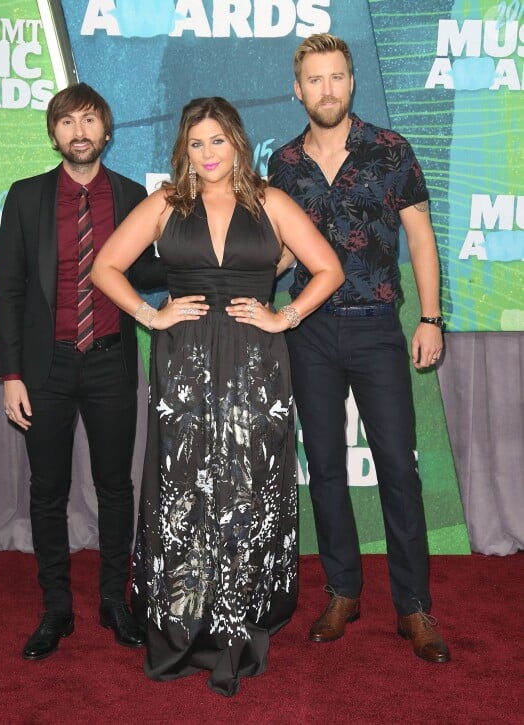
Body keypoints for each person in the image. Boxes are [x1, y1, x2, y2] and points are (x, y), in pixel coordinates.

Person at [91, 96, 345, 695]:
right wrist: (149, 316)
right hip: (184, 365)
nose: (207, 154)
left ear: (237, 140)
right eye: (196, 143)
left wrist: (287, 316)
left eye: (217, 141)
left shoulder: (270, 201)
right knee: (184, 488)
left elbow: (327, 267)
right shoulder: (165, 205)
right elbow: (106, 267)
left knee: (247, 486)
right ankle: (184, 620)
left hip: (257, 365)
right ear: (185, 148)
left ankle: (242, 619)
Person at [268, 34, 451, 663]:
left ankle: (413, 607)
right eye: (314, 79)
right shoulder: (284, 163)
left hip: (377, 326)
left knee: (399, 467)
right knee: (322, 467)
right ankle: (343, 591)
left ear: (352, 83)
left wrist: (430, 318)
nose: (327, 89)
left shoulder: (391, 149)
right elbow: (288, 250)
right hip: (309, 330)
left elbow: (421, 240)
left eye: (337, 77)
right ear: (298, 89)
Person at [0, 83, 165, 661]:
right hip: (45, 367)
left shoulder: (133, 194)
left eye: (89, 120)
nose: (79, 132)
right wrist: (10, 374)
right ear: (53, 135)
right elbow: (9, 290)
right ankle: (55, 608)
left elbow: (146, 271)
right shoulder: (26, 198)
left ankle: (114, 603)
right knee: (48, 491)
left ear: (106, 131)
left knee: (117, 488)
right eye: (67, 122)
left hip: (112, 358)